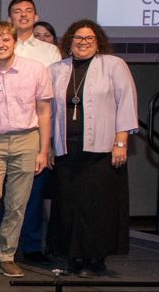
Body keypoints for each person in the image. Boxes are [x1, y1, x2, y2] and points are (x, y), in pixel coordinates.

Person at [46, 20, 136, 278]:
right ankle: (74, 257)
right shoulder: (57, 69)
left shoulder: (113, 65)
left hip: (103, 149)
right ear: (69, 42)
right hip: (66, 148)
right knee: (69, 205)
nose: (83, 42)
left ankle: (95, 259)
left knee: (97, 207)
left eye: (89, 38)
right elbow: (49, 112)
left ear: (98, 42)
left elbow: (126, 102)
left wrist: (120, 143)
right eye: (78, 38)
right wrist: (49, 145)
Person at [0, 21, 53, 279]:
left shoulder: (36, 70)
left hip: (27, 140)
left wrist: (43, 150)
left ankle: (6, 255)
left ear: (14, 42)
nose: (1, 44)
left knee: (17, 204)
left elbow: (44, 113)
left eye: (6, 40)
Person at [6, 0, 60, 266]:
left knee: (34, 193)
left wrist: (48, 142)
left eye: (28, 11)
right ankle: (4, 248)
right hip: (1, 129)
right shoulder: (1, 43)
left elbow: (54, 98)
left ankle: (31, 245)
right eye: (17, 11)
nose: (23, 15)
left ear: (36, 16)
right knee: (2, 194)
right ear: (10, 18)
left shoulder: (49, 52)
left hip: (35, 129)